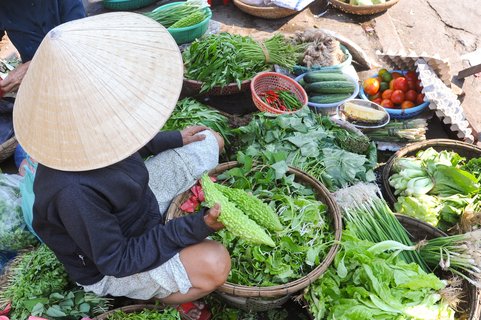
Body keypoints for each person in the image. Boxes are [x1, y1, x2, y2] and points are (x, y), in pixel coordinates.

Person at [12, 12, 230, 320]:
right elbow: (117, 259)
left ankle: (170, 237)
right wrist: (196, 227)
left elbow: (128, 140)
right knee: (215, 263)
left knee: (208, 140)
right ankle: (166, 297)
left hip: (138, 202)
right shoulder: (73, 193)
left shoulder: (96, 127)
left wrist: (174, 139)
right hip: (113, 261)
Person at [0, 0, 86, 170]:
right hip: (39, 85)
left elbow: (79, 39)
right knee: (28, 156)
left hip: (79, 75)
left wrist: (30, 67)